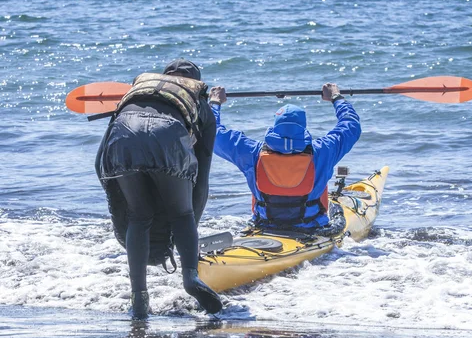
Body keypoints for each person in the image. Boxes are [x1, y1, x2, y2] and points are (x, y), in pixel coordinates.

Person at [96, 59, 222, 318]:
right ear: (196, 82)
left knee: (139, 216)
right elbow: (203, 167)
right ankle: (190, 278)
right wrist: (190, 222)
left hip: (122, 137)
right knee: (181, 214)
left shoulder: (140, 89)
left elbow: (104, 147)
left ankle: (139, 297)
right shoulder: (199, 102)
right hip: (168, 136)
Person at [207, 83, 361, 231]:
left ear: (275, 126)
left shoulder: (251, 152)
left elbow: (211, 131)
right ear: (303, 126)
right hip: (312, 228)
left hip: (264, 226)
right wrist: (336, 97)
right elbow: (351, 125)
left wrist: (214, 103)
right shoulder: (323, 151)